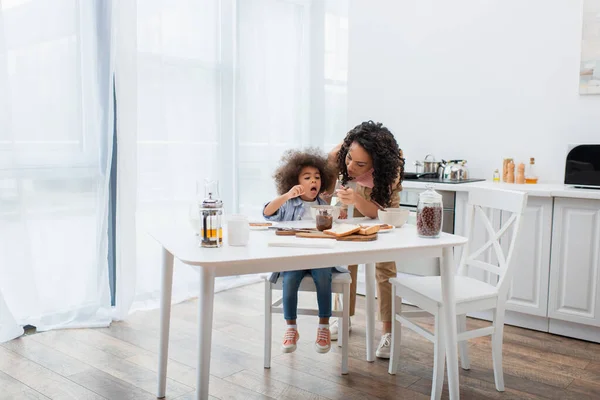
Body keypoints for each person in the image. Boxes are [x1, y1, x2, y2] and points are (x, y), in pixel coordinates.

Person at [326, 120, 405, 359]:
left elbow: (378, 214)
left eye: (359, 164)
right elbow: (328, 181)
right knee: (346, 253)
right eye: (349, 158)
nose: (350, 166)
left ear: (375, 164)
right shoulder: (341, 154)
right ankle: (343, 317)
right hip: (352, 193)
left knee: (384, 264)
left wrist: (357, 200)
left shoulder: (390, 169)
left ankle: (388, 332)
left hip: (378, 198)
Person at [263, 148, 342, 354]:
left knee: (324, 276)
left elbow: (334, 228)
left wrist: (339, 215)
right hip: (294, 255)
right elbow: (267, 212)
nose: (313, 181)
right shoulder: (288, 203)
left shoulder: (323, 204)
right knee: (290, 279)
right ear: (295, 181)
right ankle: (291, 328)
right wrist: (286, 195)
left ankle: (323, 326)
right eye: (306, 177)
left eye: (316, 177)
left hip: (319, 255)